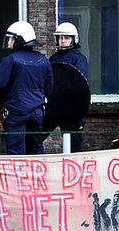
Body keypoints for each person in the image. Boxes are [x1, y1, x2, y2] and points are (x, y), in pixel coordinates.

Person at [0, 21, 54, 155]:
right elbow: (49, 88)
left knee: (16, 154)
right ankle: (38, 176)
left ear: (20, 40)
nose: (9, 43)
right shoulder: (44, 60)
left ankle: (18, 177)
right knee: (36, 149)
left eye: (12, 39)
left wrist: (2, 100)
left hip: (16, 112)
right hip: (37, 113)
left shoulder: (10, 60)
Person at [43, 22, 89, 152]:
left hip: (72, 110)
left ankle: (74, 172)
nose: (62, 41)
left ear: (74, 39)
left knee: (73, 147)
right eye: (60, 37)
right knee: (36, 136)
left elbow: (81, 86)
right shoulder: (53, 58)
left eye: (66, 38)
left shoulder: (79, 59)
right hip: (54, 107)